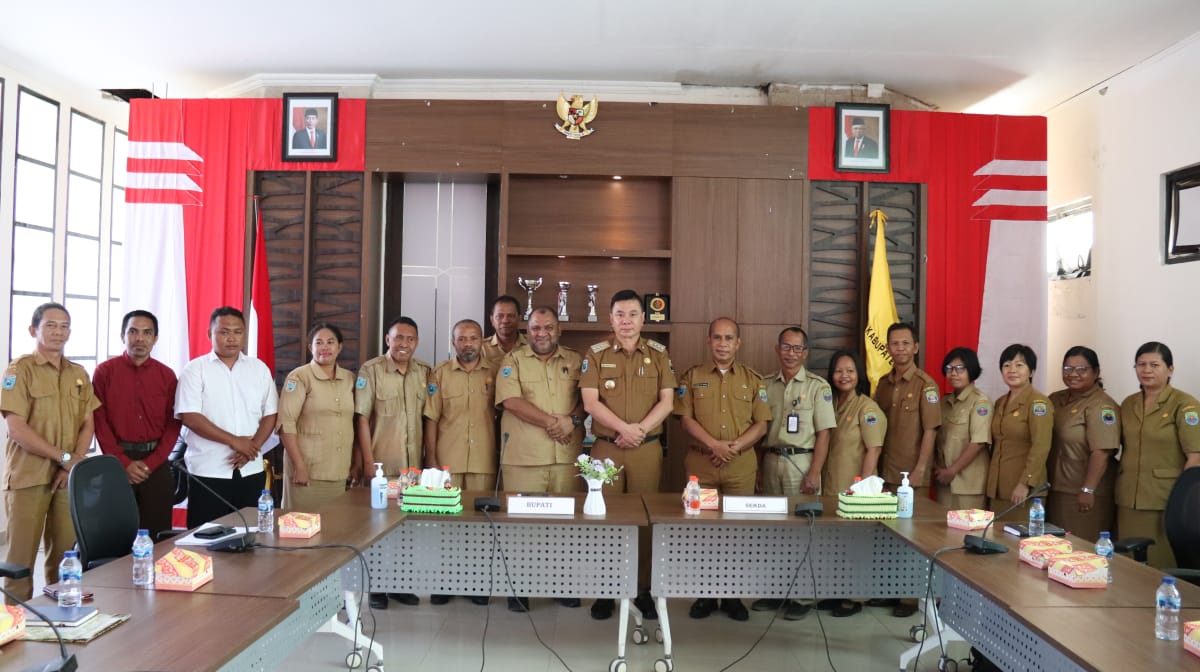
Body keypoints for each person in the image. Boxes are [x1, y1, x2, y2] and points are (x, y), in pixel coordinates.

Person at [579, 288, 676, 621]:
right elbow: (590, 403)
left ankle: (643, 589)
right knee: (604, 519)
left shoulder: (659, 354)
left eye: (633, 314)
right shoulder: (595, 354)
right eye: (620, 314)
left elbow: (668, 402)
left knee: (646, 520)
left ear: (643, 318)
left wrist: (639, 431)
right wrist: (624, 429)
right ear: (610, 318)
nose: (626, 321)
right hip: (606, 448)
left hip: (646, 450)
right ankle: (606, 590)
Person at [0, 303, 100, 601]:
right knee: (19, 564)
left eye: (65, 326)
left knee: (66, 558)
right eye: (51, 325)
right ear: (34, 330)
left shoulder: (78, 374)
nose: (59, 332)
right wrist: (64, 458)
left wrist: (70, 466)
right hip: (28, 478)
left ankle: (60, 623)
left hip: (66, 480)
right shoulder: (19, 371)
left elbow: (88, 424)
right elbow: (17, 429)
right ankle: (14, 633)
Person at [675, 317, 771, 622]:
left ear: (738, 343)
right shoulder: (692, 377)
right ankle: (705, 594)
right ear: (708, 341)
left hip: (740, 467)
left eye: (729, 338)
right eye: (717, 338)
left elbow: (762, 423)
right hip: (702, 467)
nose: (722, 344)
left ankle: (732, 596)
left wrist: (734, 447)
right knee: (703, 531)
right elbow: (685, 419)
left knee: (737, 532)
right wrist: (714, 445)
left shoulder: (754, 380)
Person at [495, 306, 586, 612]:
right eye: (535, 328)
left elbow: (587, 400)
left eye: (548, 327)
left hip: (565, 457)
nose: (542, 333)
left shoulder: (575, 361)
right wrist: (555, 422)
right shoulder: (513, 360)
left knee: (566, 526)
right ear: (527, 330)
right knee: (521, 526)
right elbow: (511, 401)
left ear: (558, 330)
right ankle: (518, 587)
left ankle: (562, 585)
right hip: (524, 458)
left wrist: (571, 421)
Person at [749, 326, 834, 621]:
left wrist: (815, 471)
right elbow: (760, 433)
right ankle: (776, 592)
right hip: (771, 461)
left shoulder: (817, 387)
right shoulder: (764, 385)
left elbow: (824, 434)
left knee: (804, 532)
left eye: (797, 348)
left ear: (805, 353)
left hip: (803, 464)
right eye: (786, 347)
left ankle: (802, 597)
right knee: (773, 531)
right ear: (777, 349)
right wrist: (759, 468)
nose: (791, 353)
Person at [175, 307, 278, 528]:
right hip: (208, 470)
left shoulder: (259, 369)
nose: (231, 338)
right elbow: (190, 417)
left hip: (251, 468)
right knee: (206, 537)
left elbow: (270, 414)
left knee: (250, 535)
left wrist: (251, 448)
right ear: (209, 334)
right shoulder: (195, 370)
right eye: (223, 332)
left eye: (237, 332)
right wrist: (235, 442)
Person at [355, 315, 431, 609]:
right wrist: (366, 461)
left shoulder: (424, 372)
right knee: (377, 527)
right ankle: (376, 588)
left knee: (406, 525)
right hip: (381, 467)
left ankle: (399, 584)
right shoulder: (371, 370)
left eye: (410, 339)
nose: (404, 344)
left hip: (412, 468)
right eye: (398, 338)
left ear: (416, 342)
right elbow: (361, 418)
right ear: (388, 340)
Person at [422, 319, 497, 607]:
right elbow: (431, 418)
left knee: (480, 524)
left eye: (473, 338)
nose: (467, 344)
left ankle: (476, 583)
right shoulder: (439, 374)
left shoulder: (495, 373)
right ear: (453, 343)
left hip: (484, 460)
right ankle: (445, 583)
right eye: (461, 339)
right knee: (447, 524)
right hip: (447, 461)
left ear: (481, 341)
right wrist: (431, 459)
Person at [93, 309, 182, 539]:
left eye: (147, 332)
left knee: (158, 535)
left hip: (156, 463)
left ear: (155, 338)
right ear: (123, 336)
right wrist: (123, 462)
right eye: (133, 331)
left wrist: (151, 463)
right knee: (115, 534)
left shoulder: (167, 376)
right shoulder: (105, 372)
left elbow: (173, 425)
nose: (139, 338)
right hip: (115, 463)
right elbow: (99, 421)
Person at [872, 321, 940, 617]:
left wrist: (921, 468)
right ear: (887, 348)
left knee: (912, 537)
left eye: (904, 343)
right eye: (894, 343)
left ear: (916, 347)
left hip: (909, 475)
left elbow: (931, 430)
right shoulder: (883, 384)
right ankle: (889, 591)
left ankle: (911, 598)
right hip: (884, 473)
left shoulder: (927, 386)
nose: (899, 348)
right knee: (887, 535)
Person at [1117, 341, 1200, 569]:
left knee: (1158, 565)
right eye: (1141, 364)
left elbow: (1195, 457)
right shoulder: (1128, 403)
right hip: (1128, 498)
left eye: (1155, 365)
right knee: (1127, 564)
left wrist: (1185, 502)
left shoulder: (1185, 405)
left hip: (1164, 499)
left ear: (1170, 369)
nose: (1146, 370)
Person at [822, 350, 887, 618]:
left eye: (850, 370)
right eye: (839, 371)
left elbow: (874, 449)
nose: (844, 375)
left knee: (854, 544)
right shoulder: (832, 403)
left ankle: (854, 596)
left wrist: (862, 489)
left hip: (854, 488)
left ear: (859, 374)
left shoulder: (866, 407)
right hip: (830, 485)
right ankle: (835, 592)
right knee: (834, 542)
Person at [278, 323, 355, 512]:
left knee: (334, 532)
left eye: (330, 342)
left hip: (338, 471)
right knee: (301, 530)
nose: (325, 347)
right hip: (307, 473)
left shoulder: (349, 378)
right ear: (310, 347)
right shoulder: (299, 377)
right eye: (318, 342)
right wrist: (299, 466)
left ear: (340, 347)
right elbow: (285, 423)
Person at [1047, 346, 1119, 543]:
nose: (1074, 374)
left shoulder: (1102, 405)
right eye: (1068, 369)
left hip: (1083, 495)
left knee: (1079, 552)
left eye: (1081, 369)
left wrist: (1088, 489)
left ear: (1096, 372)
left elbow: (1102, 452)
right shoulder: (1055, 399)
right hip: (1055, 490)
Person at [986, 344, 1053, 520]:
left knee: (1018, 542)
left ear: (1031, 372)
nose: (1012, 370)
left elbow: (1041, 446)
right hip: (998, 487)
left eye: (1019, 365)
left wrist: (1025, 483)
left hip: (1024, 489)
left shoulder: (1039, 403)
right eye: (1006, 365)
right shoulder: (1001, 402)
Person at [933, 347, 992, 511]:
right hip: (944, 483)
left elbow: (978, 443)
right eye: (949, 368)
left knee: (966, 533)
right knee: (941, 534)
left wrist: (952, 470)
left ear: (971, 370)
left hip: (968, 486)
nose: (953, 373)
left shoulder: (980, 402)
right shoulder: (945, 402)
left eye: (960, 368)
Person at [481, 295, 526, 370]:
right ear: (492, 320)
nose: (505, 321)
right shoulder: (481, 349)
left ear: (519, 319)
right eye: (500, 316)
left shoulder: (531, 346)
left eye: (510, 316)